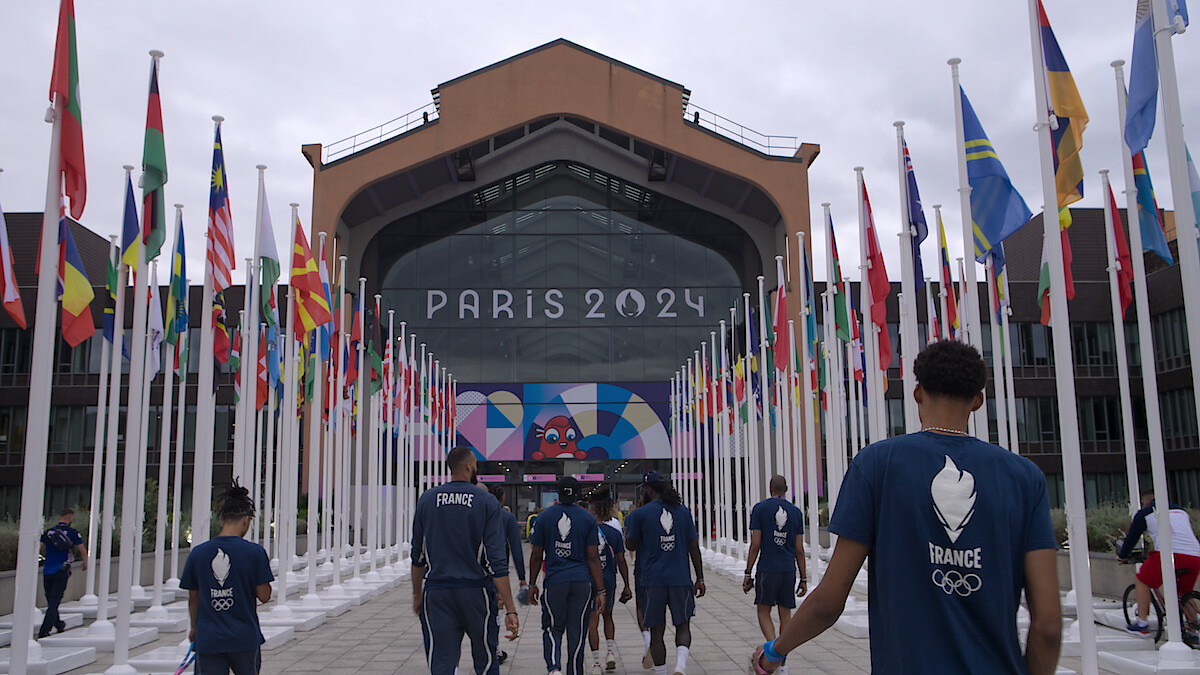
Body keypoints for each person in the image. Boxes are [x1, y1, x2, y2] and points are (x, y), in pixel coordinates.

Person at [750, 340, 1061, 675]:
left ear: (917, 393)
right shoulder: (1025, 478)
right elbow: (1047, 627)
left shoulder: (877, 465)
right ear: (978, 401)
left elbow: (828, 601)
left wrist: (774, 653)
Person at [411, 446, 519, 675]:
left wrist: (417, 594)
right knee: (487, 659)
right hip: (475, 592)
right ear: (469, 466)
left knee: (441, 661)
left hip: (437, 592)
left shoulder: (427, 500)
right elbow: (496, 561)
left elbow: (417, 556)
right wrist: (510, 609)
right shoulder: (486, 501)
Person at [181, 484, 273, 675]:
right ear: (246, 521)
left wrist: (193, 627)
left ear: (222, 520)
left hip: (209, 637)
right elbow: (264, 596)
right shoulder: (255, 552)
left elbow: (193, 598)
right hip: (244, 637)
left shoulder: (198, 553)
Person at [625, 470, 704, 675]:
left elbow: (630, 545)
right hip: (680, 577)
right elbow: (693, 546)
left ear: (649, 490)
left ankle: (661, 671)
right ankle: (680, 666)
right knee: (683, 625)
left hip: (653, 580)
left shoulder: (640, 514)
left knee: (657, 630)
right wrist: (700, 578)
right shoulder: (683, 511)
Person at [528, 477, 605, 675]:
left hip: (555, 580)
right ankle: (574, 670)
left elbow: (536, 554)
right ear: (578, 494)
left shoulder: (544, 517)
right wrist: (601, 590)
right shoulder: (588, 519)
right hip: (581, 581)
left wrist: (532, 584)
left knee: (553, 627)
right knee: (577, 629)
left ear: (558, 493)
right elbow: (593, 557)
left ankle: (554, 668)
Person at [743, 475, 806, 675]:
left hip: (767, 569)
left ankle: (772, 655)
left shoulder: (760, 509)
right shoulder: (796, 513)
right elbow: (799, 549)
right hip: (788, 570)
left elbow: (755, 545)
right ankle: (783, 661)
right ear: (786, 489)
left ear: (770, 489)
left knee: (763, 612)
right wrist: (804, 577)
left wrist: (748, 572)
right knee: (785, 614)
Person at [1117, 487, 1200, 635]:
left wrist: (1123, 555)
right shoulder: (1181, 511)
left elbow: (1131, 538)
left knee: (1142, 581)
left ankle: (1142, 624)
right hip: (1195, 555)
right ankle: (1193, 631)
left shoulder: (1145, 513)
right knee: (1183, 593)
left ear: (1147, 501)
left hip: (1168, 553)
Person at [587, 488, 632, 674]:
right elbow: (621, 561)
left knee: (592, 619)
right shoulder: (614, 533)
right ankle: (611, 653)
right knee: (608, 616)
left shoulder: (586, 533)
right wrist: (627, 584)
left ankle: (596, 662)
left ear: (594, 511)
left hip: (590, 580)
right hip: (609, 579)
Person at [490, 485, 528, 664]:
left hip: (474, 572)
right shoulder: (506, 517)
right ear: (502, 498)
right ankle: (494, 648)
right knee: (497, 608)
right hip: (498, 570)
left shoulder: (477, 515)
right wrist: (522, 577)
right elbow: (516, 549)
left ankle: (488, 647)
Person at [38, 507, 87, 639]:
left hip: (48, 569)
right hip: (62, 569)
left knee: (51, 599)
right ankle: (45, 630)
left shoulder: (48, 532)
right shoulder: (72, 532)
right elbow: (82, 550)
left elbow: (39, 547)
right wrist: (85, 562)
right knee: (55, 600)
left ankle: (59, 624)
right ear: (70, 517)